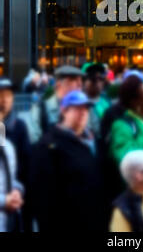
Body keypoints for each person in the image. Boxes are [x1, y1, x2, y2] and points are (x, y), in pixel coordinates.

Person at [30, 90, 104, 232]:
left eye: (86, 108)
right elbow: (42, 196)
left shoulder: (94, 141)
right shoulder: (48, 145)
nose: (83, 112)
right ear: (64, 110)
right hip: (67, 224)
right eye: (77, 108)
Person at [0, 79, 31, 230]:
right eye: (1, 95)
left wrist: (18, 191)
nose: (4, 100)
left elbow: (25, 166)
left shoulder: (19, 127)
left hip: (15, 200)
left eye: (8, 95)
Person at [27, 65, 84, 142]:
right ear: (59, 84)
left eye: (81, 80)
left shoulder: (83, 109)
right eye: (74, 80)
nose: (80, 84)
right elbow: (34, 140)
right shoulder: (41, 107)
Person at [0, 140, 24, 232]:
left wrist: (17, 190)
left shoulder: (8, 147)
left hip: (8, 223)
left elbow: (10, 178)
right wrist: (4, 201)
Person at [82, 63, 110, 138]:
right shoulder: (79, 105)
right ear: (84, 82)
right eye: (93, 79)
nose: (97, 82)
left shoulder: (107, 100)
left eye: (100, 78)